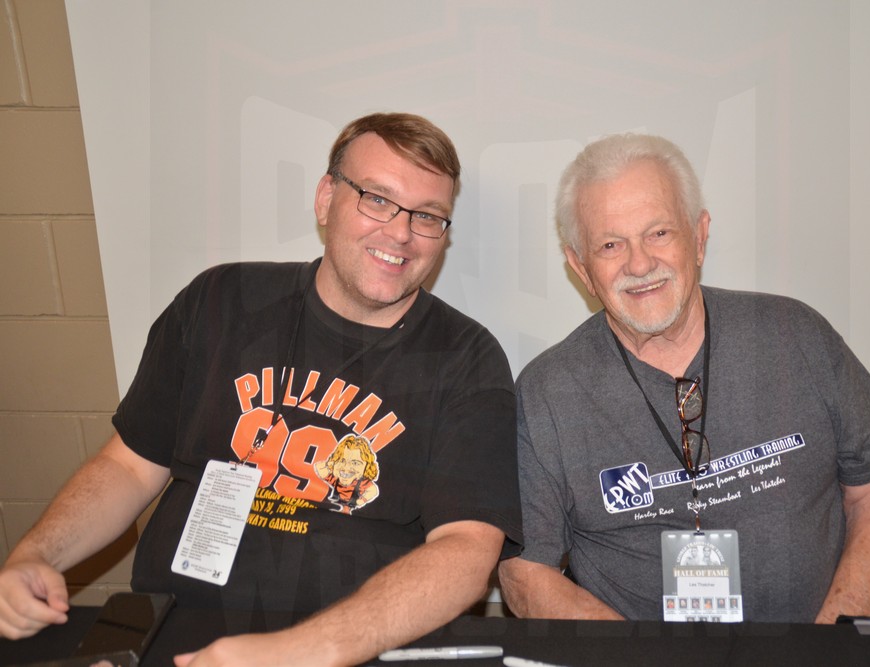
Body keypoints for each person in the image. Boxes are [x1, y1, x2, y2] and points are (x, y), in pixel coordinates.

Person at [0, 112, 522, 666]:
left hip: (351, 646)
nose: (400, 232)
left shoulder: (465, 357)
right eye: (376, 198)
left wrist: (299, 653)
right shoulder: (222, 301)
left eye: (427, 216)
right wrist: (35, 555)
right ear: (326, 199)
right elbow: (129, 467)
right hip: (175, 622)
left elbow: (466, 550)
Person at [497, 132, 870, 624]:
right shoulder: (547, 393)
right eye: (610, 244)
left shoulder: (796, 334)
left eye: (659, 233)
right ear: (581, 268)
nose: (639, 263)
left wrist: (829, 643)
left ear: (698, 237)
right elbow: (524, 574)